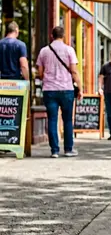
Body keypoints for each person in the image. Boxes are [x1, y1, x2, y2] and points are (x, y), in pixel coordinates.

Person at [36, 26, 82, 158]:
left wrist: (48, 78)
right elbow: (74, 71)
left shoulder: (44, 51)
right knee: (67, 120)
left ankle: (54, 151)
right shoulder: (69, 50)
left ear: (52, 35)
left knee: (52, 119)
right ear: (64, 35)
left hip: (49, 90)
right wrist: (80, 88)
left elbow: (40, 73)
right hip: (66, 89)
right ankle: (68, 149)